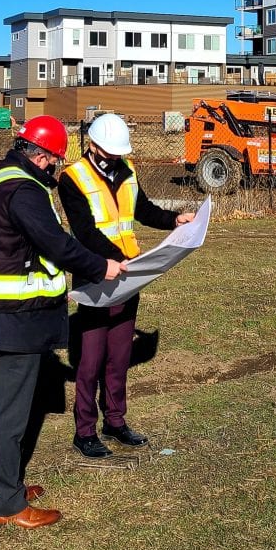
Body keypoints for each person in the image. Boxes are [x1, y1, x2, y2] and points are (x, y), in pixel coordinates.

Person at [0, 115, 126, 530]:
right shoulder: (24, 189)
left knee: (7, 406)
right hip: (14, 316)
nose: (56, 167)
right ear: (42, 156)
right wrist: (99, 266)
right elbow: (55, 242)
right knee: (11, 412)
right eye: (55, 160)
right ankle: (8, 504)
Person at [59, 113, 194, 459]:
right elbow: (85, 231)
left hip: (130, 275)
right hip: (96, 276)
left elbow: (143, 209)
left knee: (119, 356)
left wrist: (172, 219)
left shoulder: (127, 169)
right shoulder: (72, 178)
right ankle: (85, 430)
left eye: (119, 152)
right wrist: (114, 260)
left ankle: (115, 422)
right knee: (90, 361)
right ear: (92, 145)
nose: (115, 157)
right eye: (109, 152)